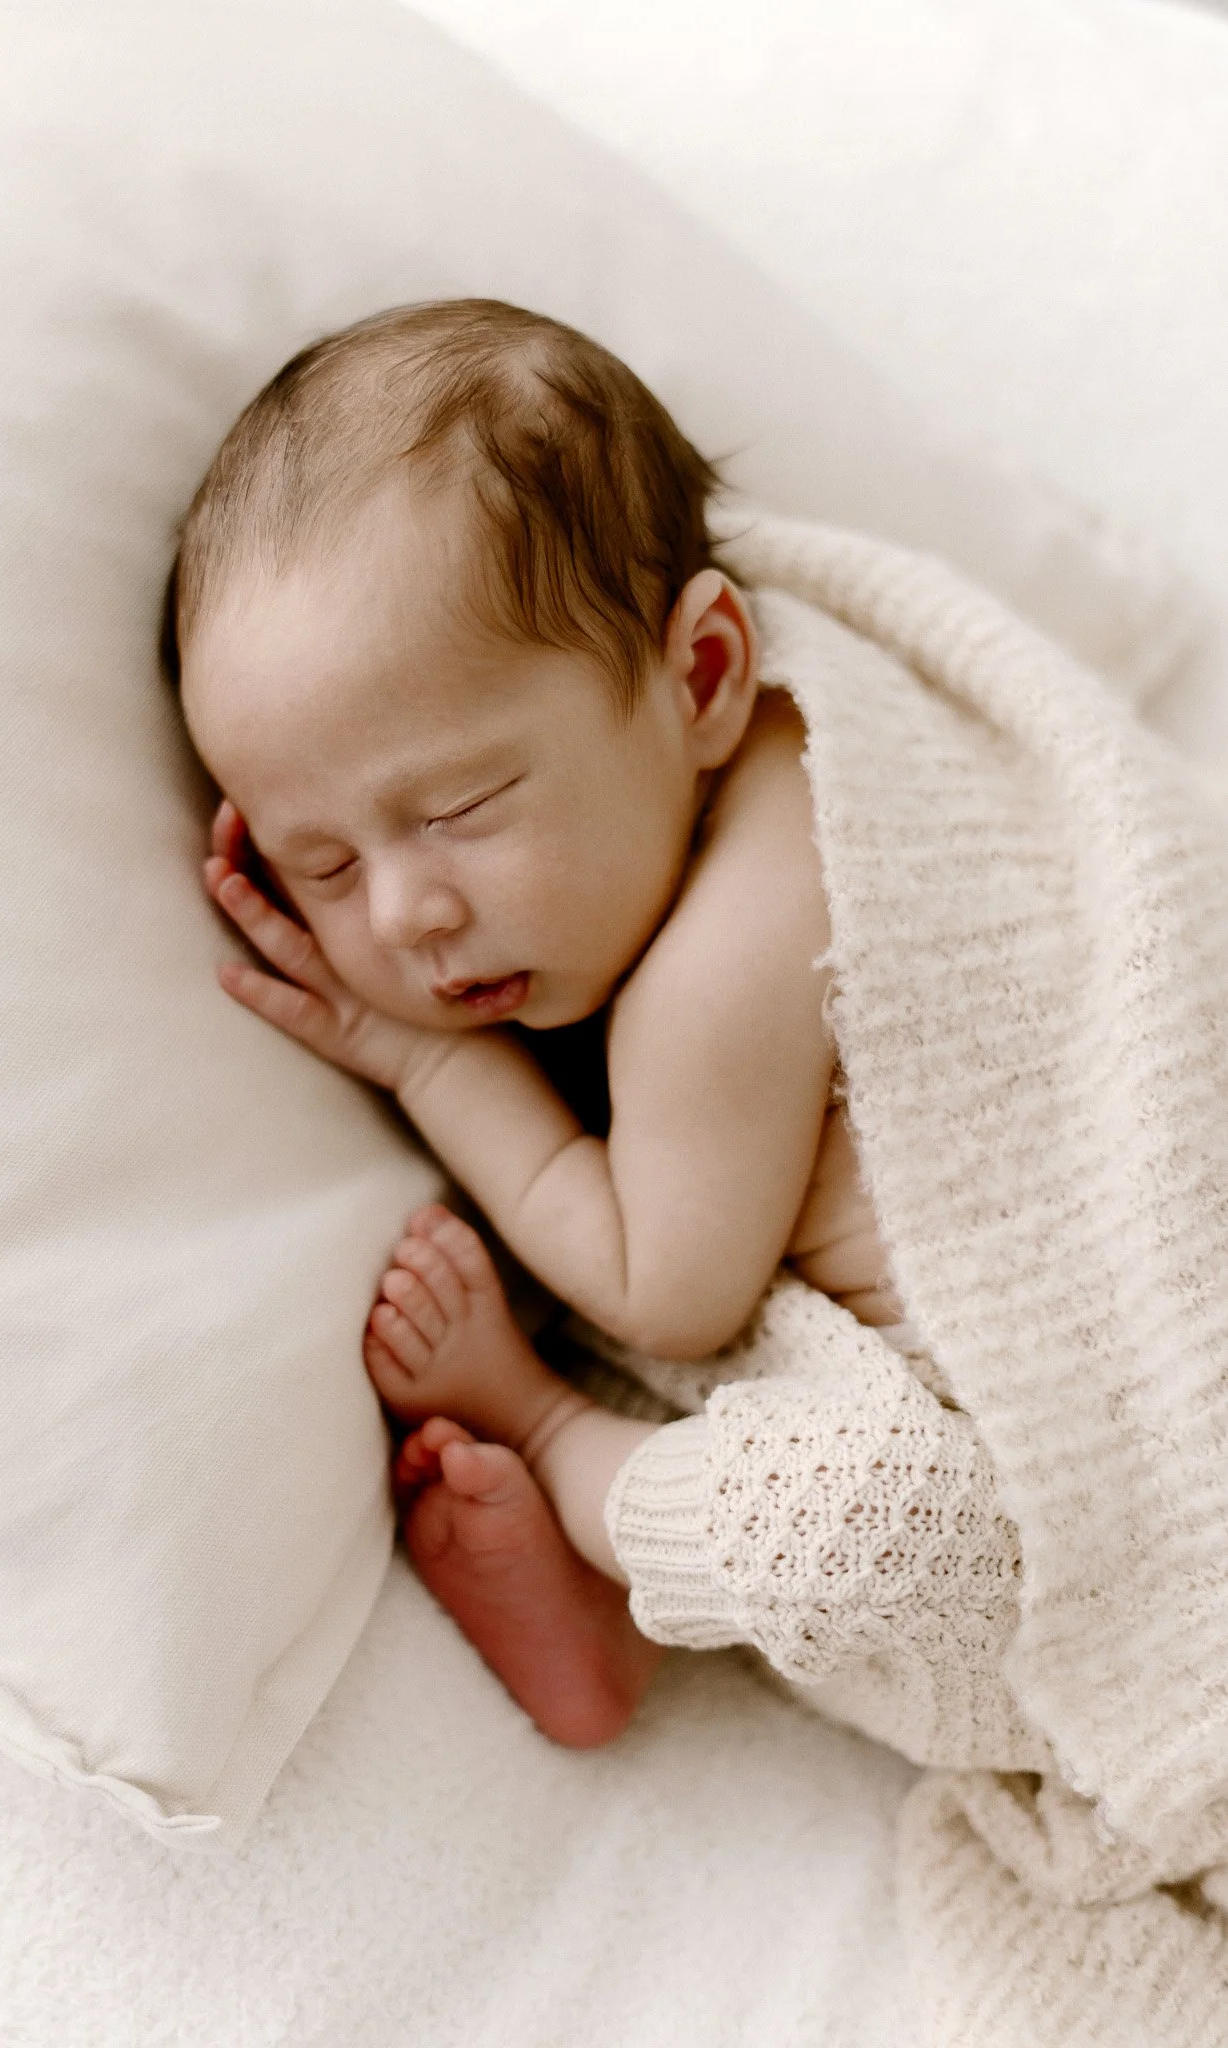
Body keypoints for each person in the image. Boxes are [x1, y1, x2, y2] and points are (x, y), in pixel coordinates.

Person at [163, 297, 916, 1748]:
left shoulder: (730, 960)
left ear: (704, 675)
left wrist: (427, 1059)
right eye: (323, 866)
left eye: (454, 813)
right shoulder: (676, 790)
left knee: (861, 1532)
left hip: (1107, 1446)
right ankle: (620, 1624)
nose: (404, 918)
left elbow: (663, 1290)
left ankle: (558, 1434)